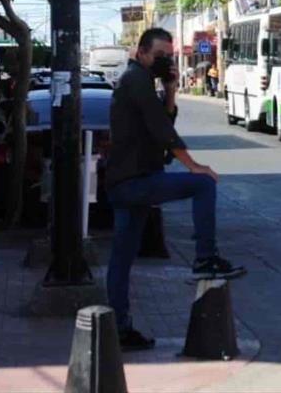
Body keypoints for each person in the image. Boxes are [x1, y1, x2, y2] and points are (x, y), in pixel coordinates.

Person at [106, 27, 245, 351]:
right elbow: (162, 130)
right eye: (159, 56)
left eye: (168, 56)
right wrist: (193, 165)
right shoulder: (135, 79)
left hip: (131, 181)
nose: (164, 60)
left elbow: (163, 118)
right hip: (133, 182)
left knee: (122, 259)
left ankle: (119, 329)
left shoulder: (144, 80)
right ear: (140, 52)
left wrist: (170, 90)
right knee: (202, 185)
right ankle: (205, 257)